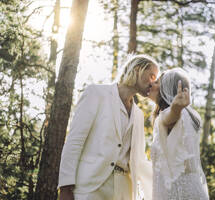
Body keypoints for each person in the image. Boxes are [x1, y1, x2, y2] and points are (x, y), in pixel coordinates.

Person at [58, 54, 159, 200]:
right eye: (151, 76)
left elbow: (140, 160)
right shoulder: (96, 93)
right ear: (137, 70)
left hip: (124, 190)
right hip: (91, 187)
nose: (153, 83)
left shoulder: (138, 115)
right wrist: (65, 188)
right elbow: (75, 141)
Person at [148, 68, 209, 200]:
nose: (151, 84)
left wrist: (176, 109)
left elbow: (170, 118)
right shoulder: (187, 114)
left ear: (167, 90)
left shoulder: (174, 114)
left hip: (178, 194)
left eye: (157, 82)